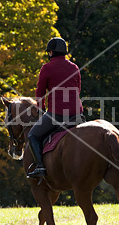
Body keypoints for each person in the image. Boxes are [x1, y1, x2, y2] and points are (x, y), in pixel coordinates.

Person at [27, 37, 83, 179]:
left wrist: (42, 108)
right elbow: (78, 89)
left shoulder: (47, 68)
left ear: (51, 52)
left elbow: (40, 93)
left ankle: (40, 166)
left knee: (32, 135)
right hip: (77, 114)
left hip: (57, 114)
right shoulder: (74, 67)